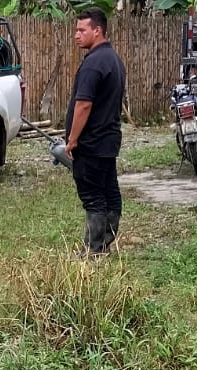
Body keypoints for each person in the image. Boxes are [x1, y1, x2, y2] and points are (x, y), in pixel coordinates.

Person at [63, 8, 127, 257]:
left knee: (93, 197)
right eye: (76, 30)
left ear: (97, 31)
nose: (76, 35)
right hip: (108, 141)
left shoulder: (93, 63)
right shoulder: (113, 59)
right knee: (110, 192)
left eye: (82, 30)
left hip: (91, 143)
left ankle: (93, 250)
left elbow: (84, 104)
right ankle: (105, 243)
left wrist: (72, 139)